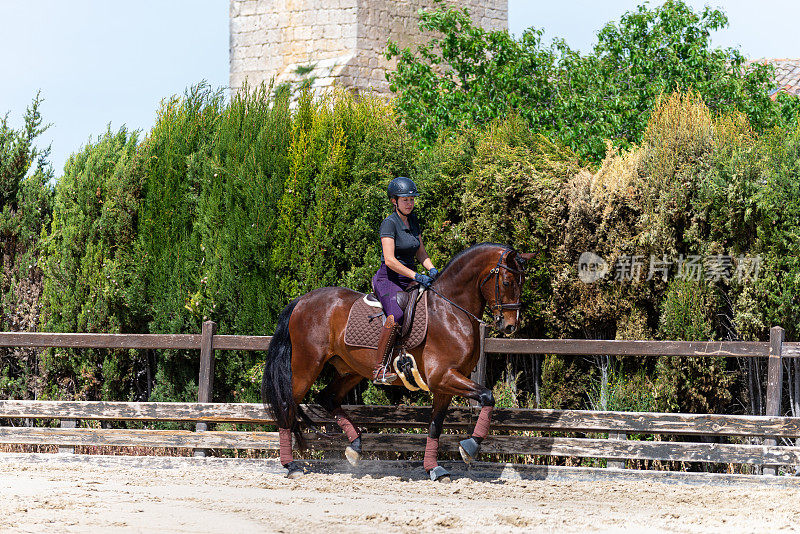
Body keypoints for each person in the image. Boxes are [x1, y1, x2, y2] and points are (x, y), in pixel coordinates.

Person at [371, 176, 438, 384]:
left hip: (409, 278)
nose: (410, 203)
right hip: (388, 279)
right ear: (394, 201)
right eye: (405, 200)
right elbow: (390, 260)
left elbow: (421, 252)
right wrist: (417, 276)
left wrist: (432, 269)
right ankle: (379, 369)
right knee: (396, 314)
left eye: (412, 199)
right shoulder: (389, 224)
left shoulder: (414, 221)